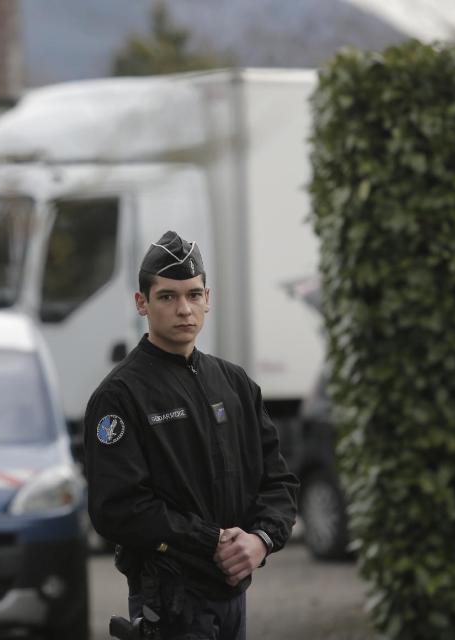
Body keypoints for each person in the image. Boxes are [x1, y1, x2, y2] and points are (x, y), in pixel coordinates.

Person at [84, 230, 299, 640]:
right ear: (141, 303)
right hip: (170, 601)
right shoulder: (120, 396)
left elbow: (279, 482)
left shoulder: (234, 384)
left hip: (234, 596)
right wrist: (210, 541)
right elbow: (117, 508)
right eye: (167, 297)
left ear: (208, 299)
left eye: (194, 294)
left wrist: (261, 540)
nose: (184, 309)